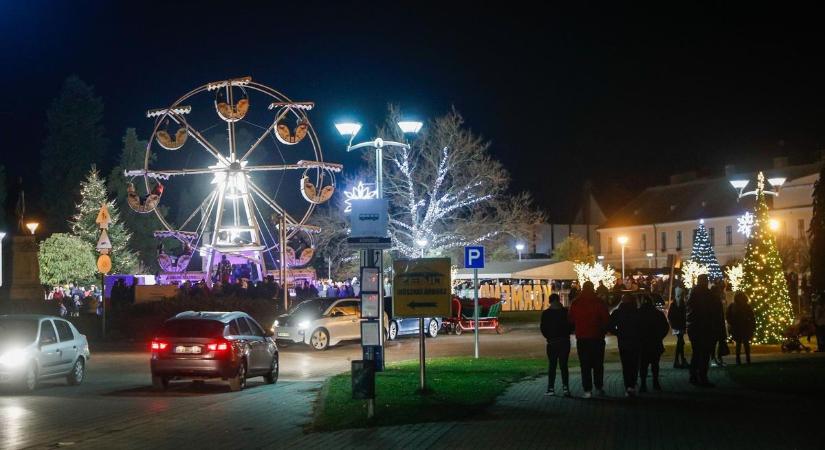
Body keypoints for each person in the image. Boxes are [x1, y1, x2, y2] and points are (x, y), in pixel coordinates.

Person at [568, 281, 610, 398]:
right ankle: (599, 386)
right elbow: (606, 319)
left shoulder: (576, 303)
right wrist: (603, 329)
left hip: (582, 338)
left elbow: (571, 320)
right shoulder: (599, 302)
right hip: (597, 337)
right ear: (593, 288)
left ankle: (587, 390)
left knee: (585, 365)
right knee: (598, 364)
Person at [687, 274, 723, 387]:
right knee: (705, 354)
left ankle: (693, 375)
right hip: (706, 328)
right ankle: (702, 377)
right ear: (706, 282)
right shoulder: (709, 296)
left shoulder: (693, 295)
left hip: (695, 328)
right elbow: (716, 314)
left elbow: (689, 312)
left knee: (696, 353)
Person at [609, 293, 642, 396]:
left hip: (623, 341)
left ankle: (628, 386)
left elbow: (610, 326)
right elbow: (643, 326)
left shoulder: (618, 312)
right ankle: (632, 384)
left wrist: (618, 333)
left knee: (626, 364)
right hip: (636, 341)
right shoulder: (637, 312)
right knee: (634, 364)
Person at [540, 294, 573, 396]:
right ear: (559, 300)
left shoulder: (546, 313)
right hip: (564, 341)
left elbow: (543, 328)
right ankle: (565, 388)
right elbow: (572, 325)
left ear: (550, 301)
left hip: (552, 342)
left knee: (552, 365)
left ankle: (551, 388)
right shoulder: (566, 312)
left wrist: (549, 337)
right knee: (564, 365)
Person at [639, 296, 670, 391]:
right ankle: (655, 383)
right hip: (655, 342)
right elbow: (665, 327)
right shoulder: (657, 314)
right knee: (655, 364)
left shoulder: (639, 314)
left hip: (643, 344)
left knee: (643, 365)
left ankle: (643, 384)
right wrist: (659, 337)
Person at [727, 292, 756, 364]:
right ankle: (740, 359)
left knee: (744, 344)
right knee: (739, 343)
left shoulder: (745, 306)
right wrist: (731, 322)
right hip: (738, 327)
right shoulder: (734, 306)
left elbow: (752, 317)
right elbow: (728, 316)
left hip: (743, 327)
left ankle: (746, 358)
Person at [667, 288, 688, 368]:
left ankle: (679, 360)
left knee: (680, 342)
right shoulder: (678, 304)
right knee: (680, 342)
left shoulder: (679, 303)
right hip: (678, 326)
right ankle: (679, 360)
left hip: (679, 326)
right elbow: (670, 316)